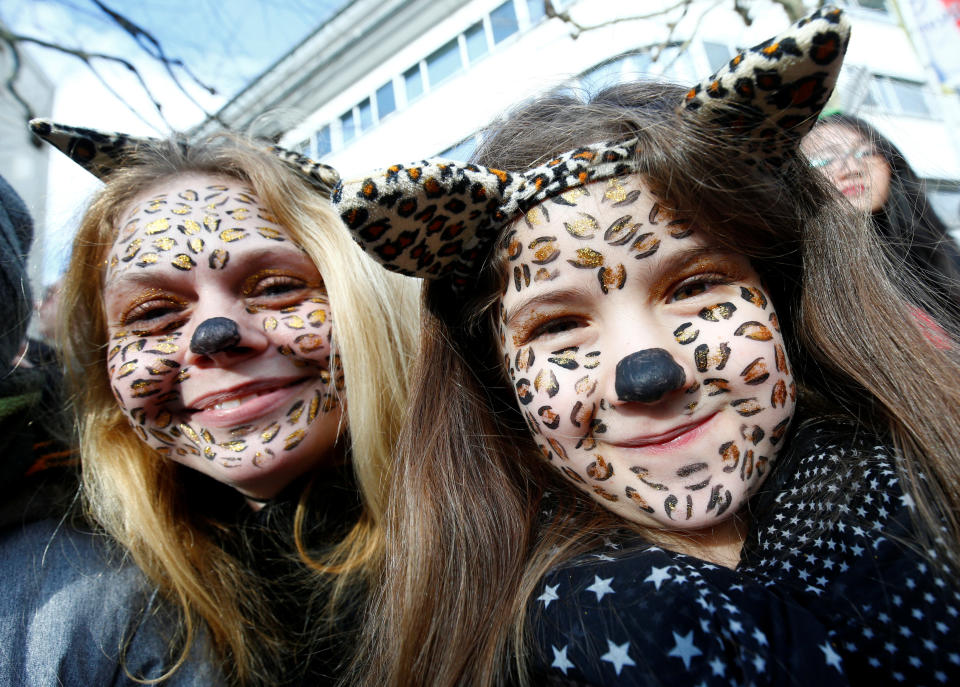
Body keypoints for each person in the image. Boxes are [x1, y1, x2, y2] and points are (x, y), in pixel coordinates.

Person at [331, 7, 960, 686]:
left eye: (695, 284)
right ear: (501, 382)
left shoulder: (912, 493)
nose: (646, 370)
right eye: (557, 325)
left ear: (782, 295)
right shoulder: (542, 645)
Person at [29, 122, 419, 685]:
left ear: (368, 300)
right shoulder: (120, 621)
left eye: (276, 286)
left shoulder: (533, 574)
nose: (215, 335)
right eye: (152, 314)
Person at [801, 112, 960, 326]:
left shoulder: (941, 256)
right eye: (824, 160)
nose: (851, 169)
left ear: (890, 164)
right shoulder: (802, 289)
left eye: (864, 153)